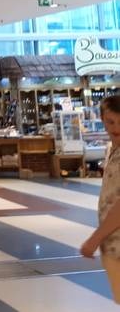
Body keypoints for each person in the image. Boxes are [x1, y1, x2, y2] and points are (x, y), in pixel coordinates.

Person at [81, 95, 120, 303]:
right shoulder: (113, 150)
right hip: (112, 246)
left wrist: (95, 239)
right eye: (110, 121)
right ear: (102, 120)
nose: (116, 128)